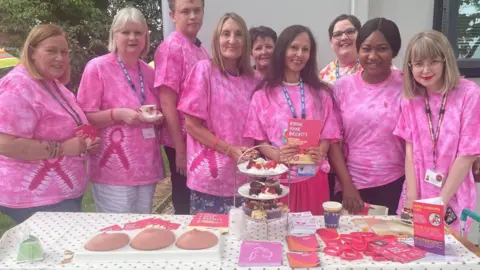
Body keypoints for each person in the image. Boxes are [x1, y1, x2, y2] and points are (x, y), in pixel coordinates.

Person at [0, 24, 99, 223]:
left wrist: (87, 142)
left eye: (64, 52)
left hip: (63, 193)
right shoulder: (18, 86)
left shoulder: (52, 84)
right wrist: (62, 148)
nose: (60, 58)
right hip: (36, 199)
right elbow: (5, 143)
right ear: (32, 52)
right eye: (51, 51)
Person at [244, 25, 341, 214]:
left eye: (305, 49)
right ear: (282, 50)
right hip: (278, 181)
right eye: (294, 47)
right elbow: (258, 139)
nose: (299, 54)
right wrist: (276, 154)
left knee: (312, 237)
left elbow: (328, 134)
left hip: (313, 179)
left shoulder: (321, 93)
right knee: (279, 236)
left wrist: (319, 152)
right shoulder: (263, 95)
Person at [76, 7, 164, 214]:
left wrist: (157, 119)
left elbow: (157, 112)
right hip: (112, 170)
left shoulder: (150, 73)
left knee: (142, 230)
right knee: (116, 232)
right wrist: (118, 115)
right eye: (125, 32)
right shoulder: (97, 67)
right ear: (114, 35)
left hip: (147, 167)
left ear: (146, 36)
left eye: (138, 32)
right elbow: (84, 117)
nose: (132, 38)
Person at [395, 30, 480, 232]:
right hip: (417, 191)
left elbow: (468, 154)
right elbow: (410, 151)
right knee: (410, 253)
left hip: (453, 194)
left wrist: (441, 202)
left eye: (433, 61)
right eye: (418, 63)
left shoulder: (469, 94)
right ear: (410, 67)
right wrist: (411, 197)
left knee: (449, 257)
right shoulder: (410, 98)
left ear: (445, 61)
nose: (425, 69)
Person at [178, 13, 258, 214]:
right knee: (209, 241)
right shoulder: (204, 70)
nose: (232, 40)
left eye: (238, 34)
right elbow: (191, 126)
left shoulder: (254, 80)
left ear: (246, 41)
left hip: (246, 178)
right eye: (226, 34)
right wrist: (229, 149)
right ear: (217, 39)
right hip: (210, 179)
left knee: (243, 241)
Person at [329, 18, 405, 215]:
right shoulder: (341, 88)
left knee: (389, 244)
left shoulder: (407, 86)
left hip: (395, 184)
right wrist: (346, 185)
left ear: (394, 51)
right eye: (366, 48)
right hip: (351, 187)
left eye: (382, 48)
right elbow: (333, 141)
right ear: (358, 50)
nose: (373, 56)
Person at [154, 0, 209, 215]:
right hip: (182, 141)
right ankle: (187, 243)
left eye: (197, 11)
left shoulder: (199, 47)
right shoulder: (171, 48)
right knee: (185, 201)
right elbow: (167, 101)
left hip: (199, 139)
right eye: (185, 11)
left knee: (198, 197)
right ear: (172, 15)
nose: (192, 16)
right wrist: (179, 148)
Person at [319, 14, 363, 84]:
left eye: (350, 32)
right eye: (338, 34)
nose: (344, 38)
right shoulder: (323, 77)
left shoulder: (371, 68)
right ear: (331, 42)